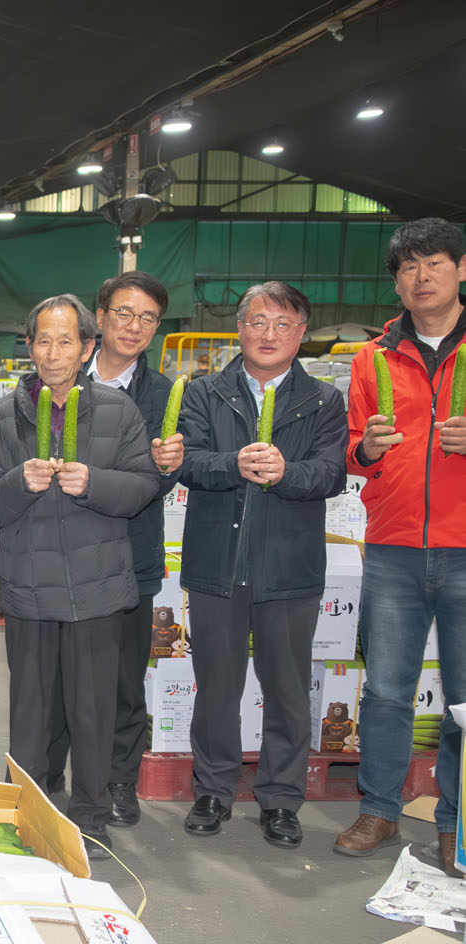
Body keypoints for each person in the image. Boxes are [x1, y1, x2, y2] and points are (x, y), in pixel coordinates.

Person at [0, 294, 159, 857]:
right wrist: (19, 483)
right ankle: (27, 814)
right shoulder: (0, 417)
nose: (53, 353)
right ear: (29, 347)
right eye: (43, 341)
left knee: (92, 712)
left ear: (86, 348)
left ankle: (90, 818)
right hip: (29, 588)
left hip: (97, 589)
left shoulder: (119, 412)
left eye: (66, 341)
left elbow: (144, 486)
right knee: (29, 714)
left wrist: (95, 483)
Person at [178, 282, 346, 849]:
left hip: (289, 569)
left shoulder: (323, 401)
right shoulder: (205, 392)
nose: (268, 334)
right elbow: (186, 462)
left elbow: (332, 474)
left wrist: (286, 472)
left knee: (288, 690)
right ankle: (213, 790)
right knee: (216, 688)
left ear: (301, 333)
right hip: (217, 567)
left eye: (282, 324)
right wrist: (234, 463)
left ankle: (280, 799)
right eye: (257, 322)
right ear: (239, 329)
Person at [335, 218, 466, 873]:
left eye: (434, 262)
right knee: (386, 690)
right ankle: (380, 809)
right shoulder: (373, 358)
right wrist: (365, 448)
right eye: (409, 267)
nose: (422, 276)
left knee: (465, 701)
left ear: (461, 269)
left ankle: (455, 822)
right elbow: (351, 452)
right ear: (396, 281)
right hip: (392, 547)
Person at [44, 272, 184, 824]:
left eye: (148, 318)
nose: (134, 326)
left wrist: (169, 466)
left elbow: (163, 478)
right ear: (99, 318)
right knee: (54, 680)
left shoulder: (166, 395)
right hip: (59, 559)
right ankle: (46, 776)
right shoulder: (58, 378)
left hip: (130, 558)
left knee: (123, 681)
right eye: (123, 312)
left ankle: (118, 781)